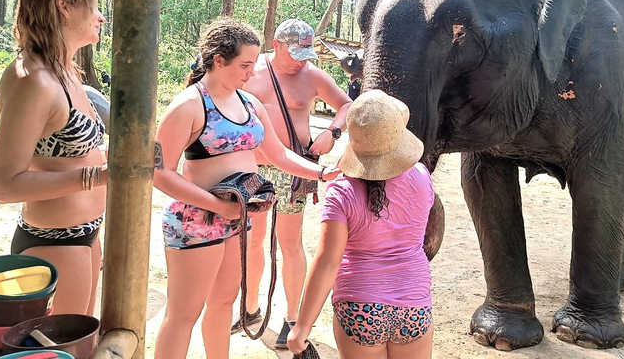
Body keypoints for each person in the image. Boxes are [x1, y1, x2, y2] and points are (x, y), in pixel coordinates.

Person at [151, 18, 340, 359]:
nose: (252, 73)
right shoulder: (188, 105)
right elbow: (160, 172)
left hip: (236, 218)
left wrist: (323, 172)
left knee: (224, 303)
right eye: (245, 65)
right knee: (183, 315)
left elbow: (279, 154)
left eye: (254, 65)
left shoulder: (248, 103)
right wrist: (216, 204)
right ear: (218, 60)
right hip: (197, 221)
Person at [0, 0, 108, 316]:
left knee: (82, 348)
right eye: (93, 5)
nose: (100, 16)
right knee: (59, 352)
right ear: (64, 6)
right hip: (54, 243)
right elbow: (4, 186)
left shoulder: (66, 70)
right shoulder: (34, 80)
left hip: (84, 236)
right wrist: (97, 177)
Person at [287, 89, 435, 359]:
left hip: (360, 308)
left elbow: (327, 262)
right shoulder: (422, 177)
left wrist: (302, 326)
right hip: (415, 306)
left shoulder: (341, 192)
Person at [235, 18, 352, 346]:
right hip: (253, 168)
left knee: (289, 243)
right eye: (295, 52)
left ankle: (292, 317)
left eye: (305, 53)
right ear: (277, 45)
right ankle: (250, 309)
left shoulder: (312, 76)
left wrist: (333, 133)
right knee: (253, 241)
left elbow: (346, 105)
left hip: (294, 170)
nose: (300, 60)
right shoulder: (250, 72)